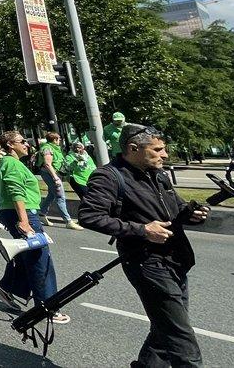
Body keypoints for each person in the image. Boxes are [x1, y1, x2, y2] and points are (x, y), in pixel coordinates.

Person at [79, 124, 209, 367]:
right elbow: (89, 215)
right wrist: (142, 230)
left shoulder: (157, 174)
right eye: (158, 149)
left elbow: (175, 208)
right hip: (146, 262)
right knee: (182, 339)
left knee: (165, 327)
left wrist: (191, 214)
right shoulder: (109, 176)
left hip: (176, 258)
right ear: (133, 148)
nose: (165, 154)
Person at [0, 131, 68, 325]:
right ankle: (46, 306)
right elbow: (16, 192)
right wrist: (24, 221)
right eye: (21, 141)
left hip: (17, 213)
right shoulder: (12, 163)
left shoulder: (10, 162)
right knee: (40, 258)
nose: (26, 143)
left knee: (27, 254)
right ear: (9, 145)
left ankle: (6, 287)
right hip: (22, 215)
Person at [38, 132, 83, 230]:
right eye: (59, 139)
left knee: (51, 194)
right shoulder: (47, 148)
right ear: (55, 140)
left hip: (53, 174)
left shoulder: (54, 148)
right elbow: (47, 164)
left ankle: (41, 214)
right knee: (60, 196)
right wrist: (55, 178)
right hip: (50, 174)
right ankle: (68, 221)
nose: (60, 141)